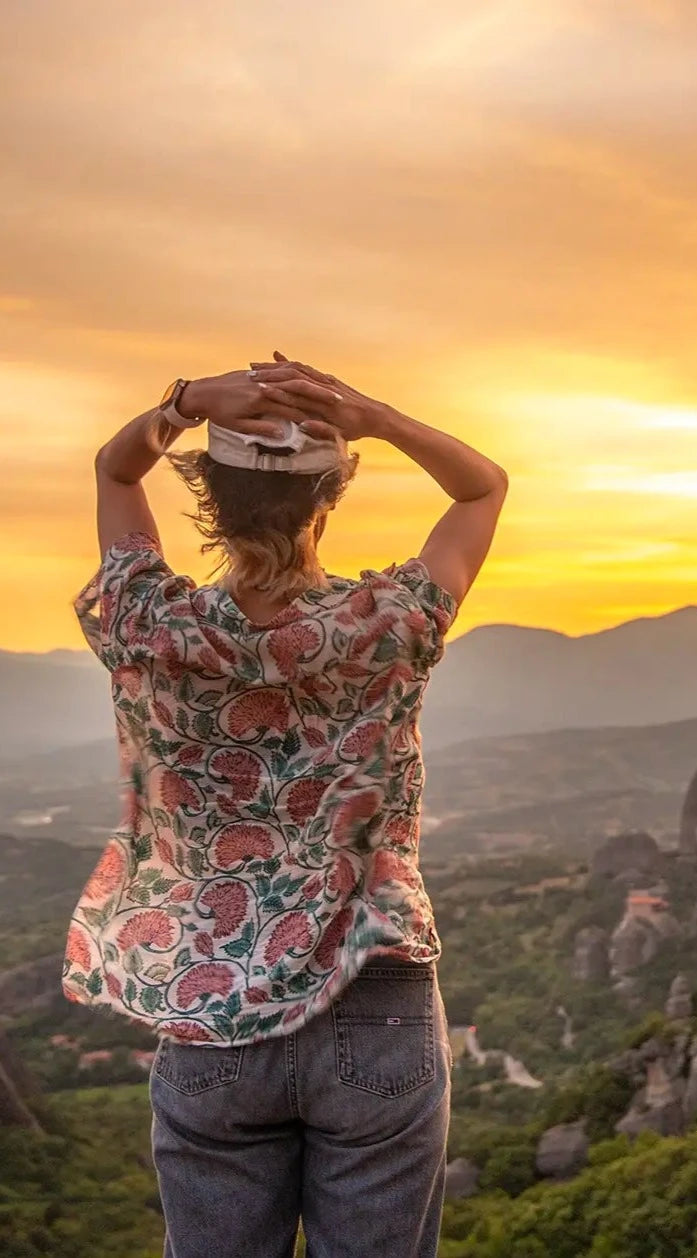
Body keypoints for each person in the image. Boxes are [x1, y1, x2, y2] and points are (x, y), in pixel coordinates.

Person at [67, 353, 507, 1258]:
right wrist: (372, 414)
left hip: (208, 998)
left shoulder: (150, 625)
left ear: (209, 501)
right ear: (329, 499)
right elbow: (482, 490)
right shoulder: (387, 623)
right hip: (375, 996)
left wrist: (183, 405)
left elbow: (115, 469)